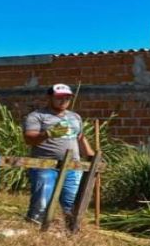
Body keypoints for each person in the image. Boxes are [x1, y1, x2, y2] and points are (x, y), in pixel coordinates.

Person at [22, 84, 95, 225]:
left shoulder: (75, 117)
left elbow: (80, 138)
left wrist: (92, 157)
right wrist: (48, 134)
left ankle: (71, 233)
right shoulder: (37, 116)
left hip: (73, 166)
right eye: (60, 97)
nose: (64, 101)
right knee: (41, 203)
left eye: (67, 98)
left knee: (72, 204)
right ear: (49, 97)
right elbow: (28, 139)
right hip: (45, 165)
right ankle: (33, 232)